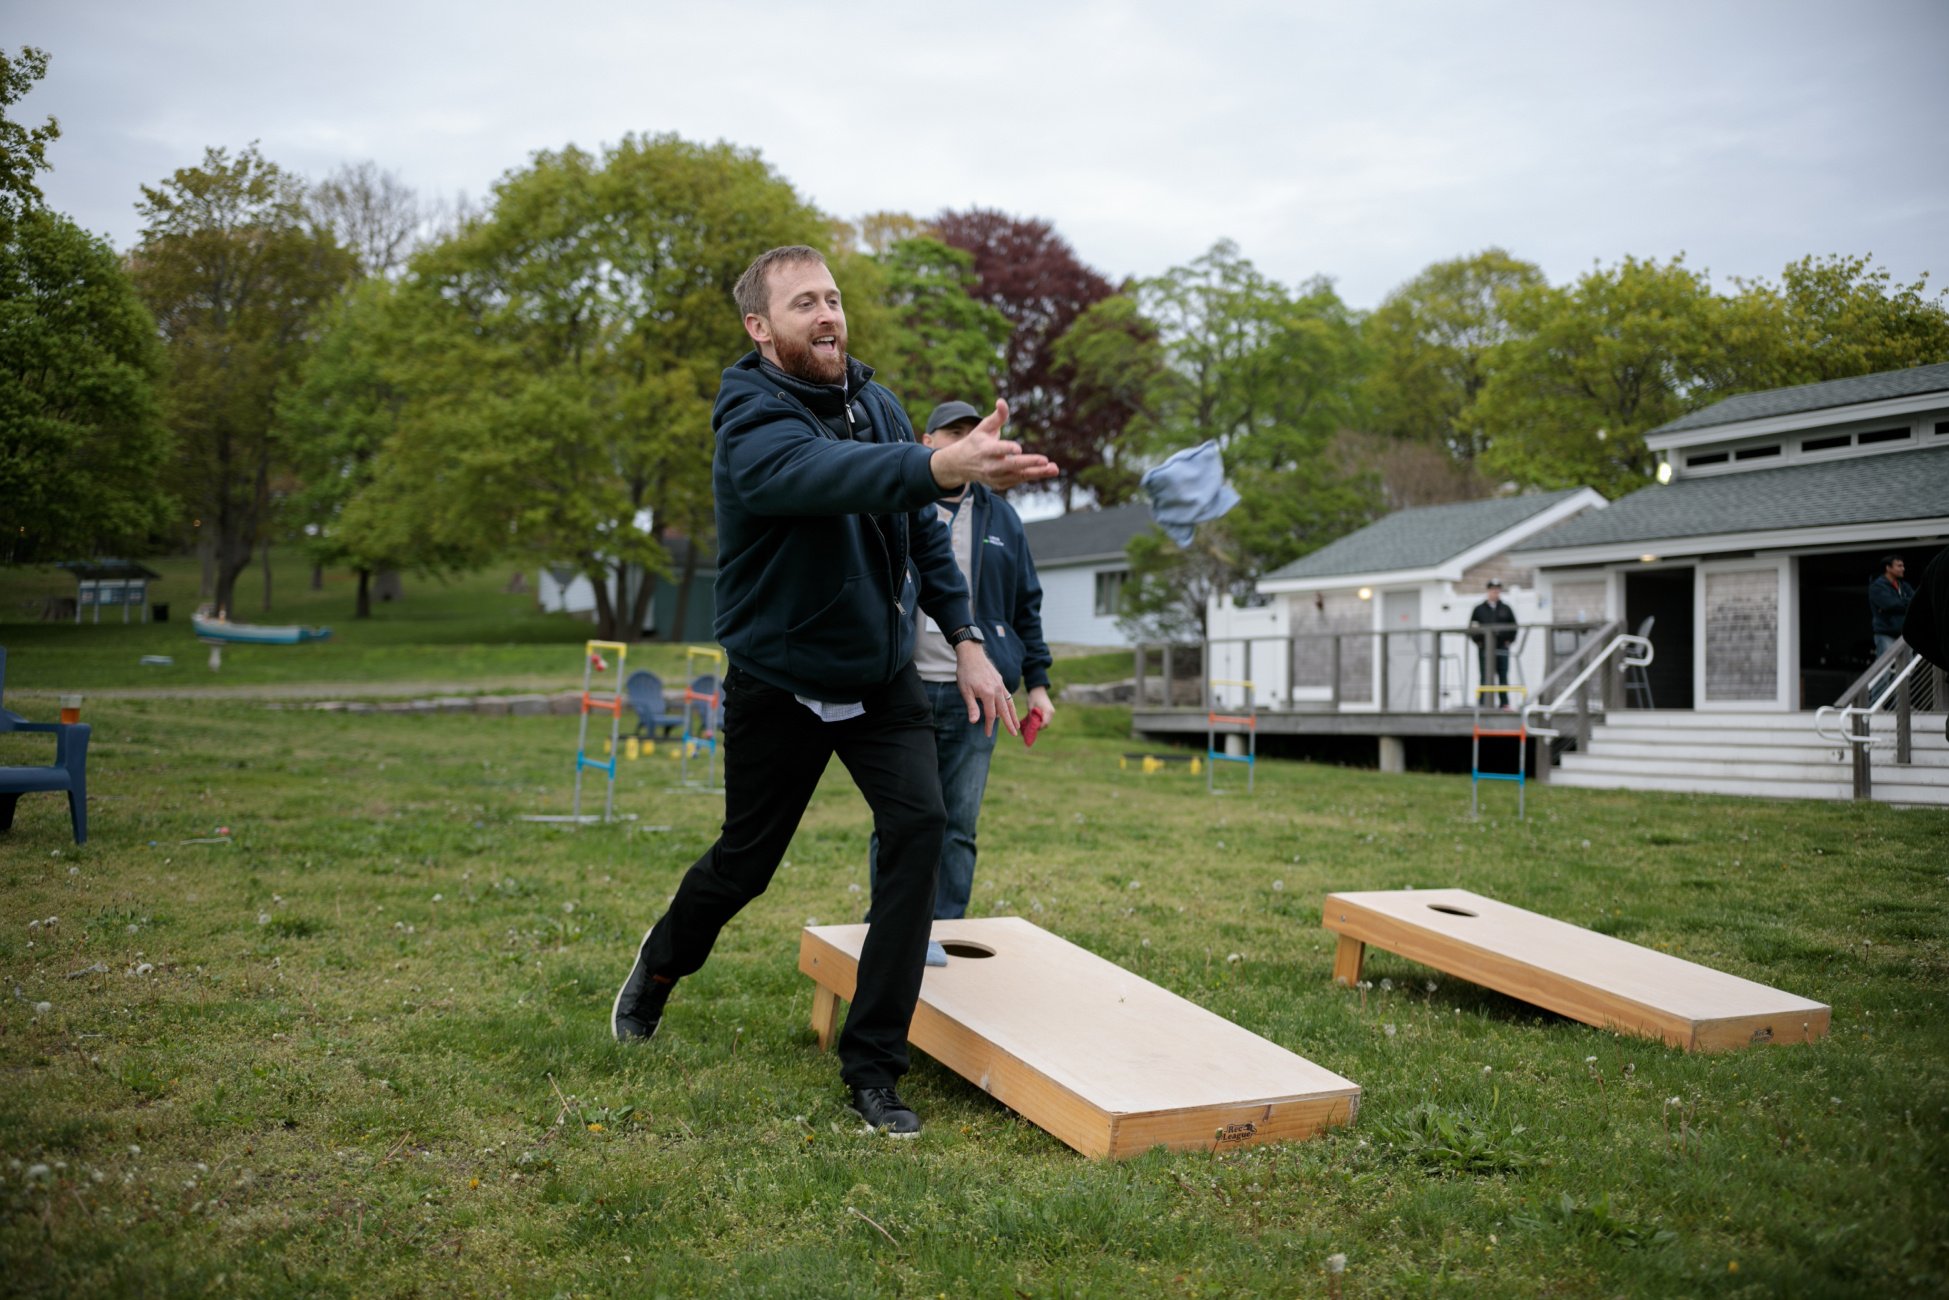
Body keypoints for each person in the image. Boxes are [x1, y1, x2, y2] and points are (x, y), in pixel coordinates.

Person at [609, 246, 1058, 1138]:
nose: (827, 314)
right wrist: (936, 470)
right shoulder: (748, 417)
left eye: (833, 299)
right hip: (779, 679)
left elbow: (919, 540)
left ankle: (874, 1069)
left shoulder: (878, 402)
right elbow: (818, 478)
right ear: (760, 327)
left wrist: (967, 639)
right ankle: (658, 968)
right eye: (803, 302)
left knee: (920, 831)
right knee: (747, 859)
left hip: (879, 672)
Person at [866, 400, 1055, 966]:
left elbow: (1027, 604)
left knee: (958, 824)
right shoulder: (896, 505)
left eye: (975, 434)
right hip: (907, 684)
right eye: (954, 433)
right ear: (928, 440)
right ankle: (890, 930)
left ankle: (941, 931)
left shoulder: (1004, 519)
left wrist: (1038, 683)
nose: (968, 441)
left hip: (982, 692)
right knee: (901, 820)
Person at [1468, 580, 1519, 708]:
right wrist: (1479, 642)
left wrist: (1508, 641)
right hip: (1485, 648)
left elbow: (1513, 627)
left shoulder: (1506, 609)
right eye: (1492, 590)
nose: (1495, 592)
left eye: (1497, 590)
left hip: (1501, 648)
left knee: (1503, 675)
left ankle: (1504, 703)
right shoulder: (1479, 609)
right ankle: (1483, 703)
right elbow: (1472, 628)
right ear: (1488, 591)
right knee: (1485, 675)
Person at [1869, 554, 1915, 661]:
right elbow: (1890, 604)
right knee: (1885, 670)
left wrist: (1900, 603)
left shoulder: (1904, 585)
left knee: (1906, 670)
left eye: (1903, 566)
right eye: (1899, 566)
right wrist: (1905, 603)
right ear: (1888, 568)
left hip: (1904, 635)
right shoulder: (1877, 586)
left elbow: (1915, 601)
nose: (1903, 569)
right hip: (1886, 633)